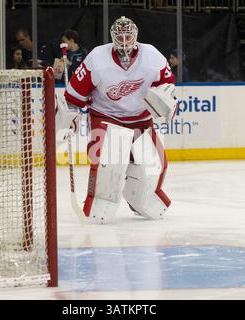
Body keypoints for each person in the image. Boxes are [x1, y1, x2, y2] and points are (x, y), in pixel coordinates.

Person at [56, 16, 177, 224]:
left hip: (141, 117)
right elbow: (74, 96)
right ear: (112, 37)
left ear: (136, 36)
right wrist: (68, 118)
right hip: (106, 116)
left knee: (154, 165)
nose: (124, 41)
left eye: (128, 36)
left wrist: (166, 103)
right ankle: (99, 206)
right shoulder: (97, 58)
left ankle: (142, 199)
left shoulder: (152, 56)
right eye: (119, 36)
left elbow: (167, 88)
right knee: (108, 163)